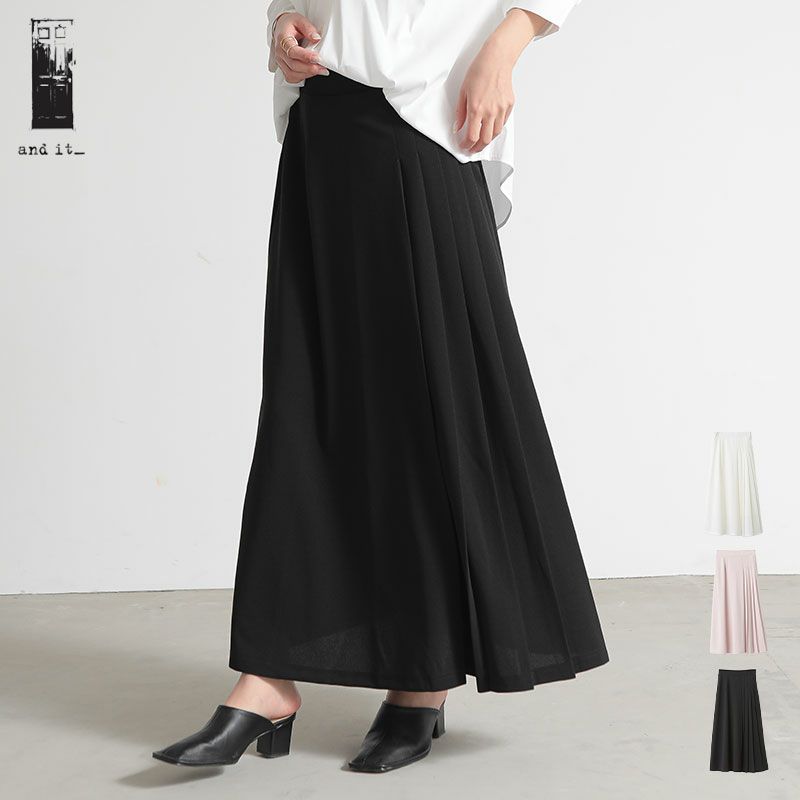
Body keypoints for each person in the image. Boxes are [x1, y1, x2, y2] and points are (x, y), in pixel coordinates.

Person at [153, 0, 608, 774]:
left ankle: (420, 680)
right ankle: (267, 678)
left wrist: (506, 46)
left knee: (425, 410)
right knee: (307, 407)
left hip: (422, 114)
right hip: (321, 121)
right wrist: (283, 21)